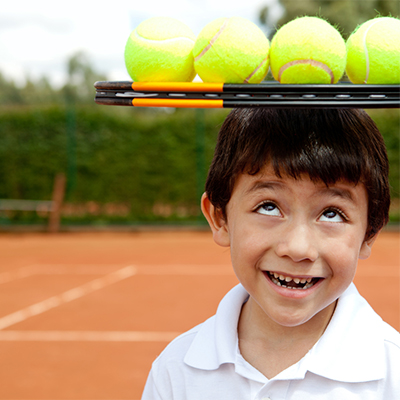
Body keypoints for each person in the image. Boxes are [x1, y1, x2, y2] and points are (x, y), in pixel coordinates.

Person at [141, 108, 400, 399]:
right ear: (219, 218)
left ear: (370, 231)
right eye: (268, 207)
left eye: (331, 213)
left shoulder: (393, 375)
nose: (298, 248)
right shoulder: (175, 372)